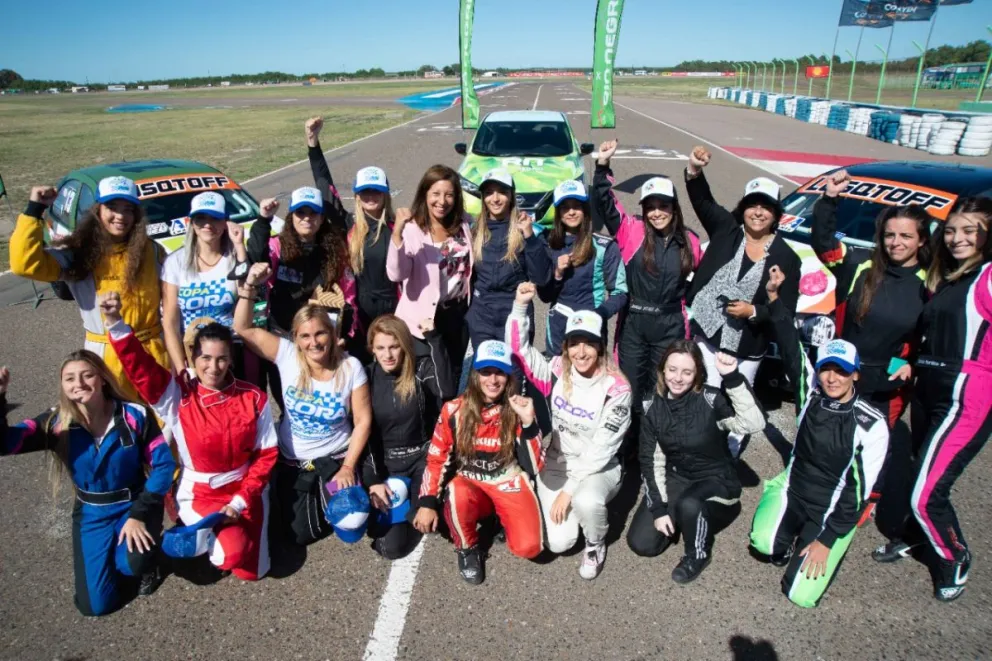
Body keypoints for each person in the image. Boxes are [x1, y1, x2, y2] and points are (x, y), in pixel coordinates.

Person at [102, 291, 279, 581]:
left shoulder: (254, 397)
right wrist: (115, 324)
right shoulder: (179, 394)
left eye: (222, 359)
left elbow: (266, 455)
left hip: (245, 491)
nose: (213, 367)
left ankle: (225, 532)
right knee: (229, 553)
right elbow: (142, 371)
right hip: (200, 494)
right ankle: (192, 537)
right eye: (205, 358)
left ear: (231, 359)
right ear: (193, 357)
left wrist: (240, 501)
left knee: (252, 573)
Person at [749, 266, 889, 609]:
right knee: (763, 544)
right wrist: (774, 298)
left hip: (831, 509)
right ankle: (786, 528)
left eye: (841, 371)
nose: (831, 377)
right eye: (827, 368)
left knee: (800, 595)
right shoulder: (810, 392)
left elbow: (858, 494)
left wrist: (827, 540)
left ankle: (820, 542)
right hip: (794, 488)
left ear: (855, 374)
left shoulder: (872, 425)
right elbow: (791, 346)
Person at [876, 197, 992, 602]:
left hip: (967, 394)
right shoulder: (948, 277)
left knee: (926, 492)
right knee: (920, 470)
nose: (959, 238)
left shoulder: (989, 275)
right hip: (928, 386)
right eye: (953, 229)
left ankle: (954, 555)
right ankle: (917, 537)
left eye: (970, 230)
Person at [1, 354, 174, 616]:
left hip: (135, 505)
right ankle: (116, 560)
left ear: (103, 379)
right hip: (91, 513)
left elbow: (164, 465)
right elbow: (6, 443)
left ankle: (149, 564)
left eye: (87, 375)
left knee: (132, 563)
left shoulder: (134, 415)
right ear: (62, 385)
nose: (78, 383)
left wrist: (139, 514)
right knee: (94, 606)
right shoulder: (55, 423)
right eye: (69, 378)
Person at [809, 169, 931, 535]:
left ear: (921, 240)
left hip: (887, 383)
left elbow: (935, 335)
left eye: (905, 236)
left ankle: (868, 496)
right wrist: (830, 200)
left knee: (874, 442)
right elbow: (824, 242)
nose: (896, 242)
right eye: (890, 235)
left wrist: (912, 364)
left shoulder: (931, 282)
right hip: (843, 371)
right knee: (829, 431)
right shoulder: (860, 263)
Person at [235, 263, 372, 547]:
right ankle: (315, 498)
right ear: (295, 338)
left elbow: (362, 421)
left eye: (320, 333)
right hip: (292, 460)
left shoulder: (351, 367)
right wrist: (249, 286)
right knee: (300, 534)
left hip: (335, 457)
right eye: (305, 336)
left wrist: (348, 467)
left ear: (333, 334)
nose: (314, 342)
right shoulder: (286, 354)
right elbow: (243, 327)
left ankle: (338, 489)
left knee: (354, 520)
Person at [506, 283, 631, 579]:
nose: (581, 351)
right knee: (559, 542)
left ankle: (596, 542)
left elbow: (602, 449)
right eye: (574, 343)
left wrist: (569, 492)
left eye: (589, 343)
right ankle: (578, 510)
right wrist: (521, 306)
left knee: (586, 501)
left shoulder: (617, 388)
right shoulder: (557, 371)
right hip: (558, 463)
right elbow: (519, 351)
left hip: (598, 468)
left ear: (600, 345)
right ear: (566, 346)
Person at [684, 146, 801, 457]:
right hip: (708, 336)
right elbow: (703, 201)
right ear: (743, 208)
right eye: (752, 205)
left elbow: (785, 312)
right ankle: (697, 448)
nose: (758, 212)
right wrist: (695, 170)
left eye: (766, 207)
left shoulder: (786, 257)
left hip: (747, 347)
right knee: (702, 395)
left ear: (776, 214)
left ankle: (728, 457)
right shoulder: (727, 231)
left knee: (740, 402)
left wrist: (755, 311)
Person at [10, 179, 170, 403]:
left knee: (161, 427)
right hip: (106, 357)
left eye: (128, 210)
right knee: (115, 427)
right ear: (97, 211)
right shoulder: (77, 252)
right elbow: (24, 264)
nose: (120, 216)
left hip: (153, 351)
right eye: (112, 208)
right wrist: (34, 210)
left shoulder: (153, 250)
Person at [626, 341, 764, 584]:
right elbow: (651, 460)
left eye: (687, 372)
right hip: (679, 476)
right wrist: (659, 510)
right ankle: (685, 516)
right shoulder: (651, 404)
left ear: (698, 373)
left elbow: (754, 424)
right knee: (642, 543)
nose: (678, 378)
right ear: (662, 369)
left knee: (690, 503)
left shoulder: (710, 399)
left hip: (715, 479)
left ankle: (698, 553)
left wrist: (731, 377)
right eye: (672, 370)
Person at [592, 139, 702, 437]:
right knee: (629, 389)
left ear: (673, 207)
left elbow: (702, 280)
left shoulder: (690, 241)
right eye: (650, 207)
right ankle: (629, 446)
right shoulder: (632, 230)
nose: (656, 213)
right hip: (635, 324)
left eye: (663, 206)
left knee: (665, 389)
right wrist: (602, 165)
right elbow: (604, 202)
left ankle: (657, 445)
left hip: (671, 325)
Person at [413, 341, 543, 584]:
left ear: (508, 376)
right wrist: (428, 501)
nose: (492, 380)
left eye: (499, 373)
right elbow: (436, 458)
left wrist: (528, 424)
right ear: (475, 374)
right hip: (470, 483)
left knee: (529, 548)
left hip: (507, 481)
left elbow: (537, 466)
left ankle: (499, 517)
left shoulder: (518, 408)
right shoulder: (454, 410)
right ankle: (468, 548)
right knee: (455, 493)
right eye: (486, 372)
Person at [307, 116, 398, 362]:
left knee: (393, 368)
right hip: (359, 316)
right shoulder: (349, 226)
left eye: (376, 190)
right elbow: (325, 189)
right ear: (357, 196)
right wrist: (313, 145)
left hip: (395, 311)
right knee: (362, 369)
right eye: (365, 191)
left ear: (386, 193)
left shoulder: (399, 227)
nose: (371, 196)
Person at [363, 314, 454, 559]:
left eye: (394, 347)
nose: (388, 355)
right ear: (372, 348)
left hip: (420, 459)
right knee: (387, 546)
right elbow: (361, 432)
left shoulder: (419, 368)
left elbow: (446, 391)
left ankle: (416, 511)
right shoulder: (366, 376)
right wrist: (372, 479)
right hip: (386, 463)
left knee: (432, 519)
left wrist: (434, 339)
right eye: (380, 348)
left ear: (404, 345)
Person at [387, 165, 473, 382]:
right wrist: (397, 233)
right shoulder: (413, 229)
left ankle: (446, 416)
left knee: (452, 375)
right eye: (435, 193)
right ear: (424, 194)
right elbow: (396, 274)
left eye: (449, 195)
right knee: (427, 377)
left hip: (457, 314)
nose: (442, 201)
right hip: (423, 319)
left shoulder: (463, 223)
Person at [162, 192, 259, 383]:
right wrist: (182, 369)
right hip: (193, 355)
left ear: (225, 222)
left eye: (215, 218)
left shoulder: (235, 258)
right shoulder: (175, 262)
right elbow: (170, 322)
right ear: (192, 223)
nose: (207, 224)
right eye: (200, 218)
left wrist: (239, 246)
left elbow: (246, 300)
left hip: (231, 355)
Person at [466, 168, 553, 350]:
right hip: (482, 314)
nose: (495, 199)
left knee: (515, 373)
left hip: (515, 310)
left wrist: (529, 237)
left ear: (511, 196)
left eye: (502, 192)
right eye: (489, 193)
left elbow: (542, 278)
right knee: (487, 375)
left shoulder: (528, 229)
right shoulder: (473, 231)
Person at [540, 180, 628, 356]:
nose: (571, 212)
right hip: (559, 327)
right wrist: (557, 273)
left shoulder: (605, 246)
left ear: (586, 209)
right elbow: (545, 296)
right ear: (558, 212)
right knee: (557, 381)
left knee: (591, 379)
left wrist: (598, 314)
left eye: (577, 206)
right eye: (565, 207)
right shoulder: (548, 244)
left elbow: (620, 293)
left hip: (591, 327)